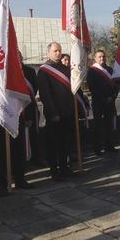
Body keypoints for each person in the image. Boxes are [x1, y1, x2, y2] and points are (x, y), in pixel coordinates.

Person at [38, 42, 76, 180]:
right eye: (55, 51)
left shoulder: (65, 69)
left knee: (66, 142)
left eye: (59, 51)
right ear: (49, 52)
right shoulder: (44, 70)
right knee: (54, 143)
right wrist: (53, 113)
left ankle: (65, 167)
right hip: (55, 114)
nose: (58, 53)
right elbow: (45, 95)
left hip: (68, 112)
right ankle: (54, 171)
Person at [87, 50, 119, 155]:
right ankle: (97, 148)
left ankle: (108, 145)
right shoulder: (92, 71)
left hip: (110, 102)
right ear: (95, 58)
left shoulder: (110, 70)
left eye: (103, 56)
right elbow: (93, 87)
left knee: (109, 125)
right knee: (97, 126)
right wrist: (104, 98)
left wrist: (113, 96)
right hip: (98, 102)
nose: (102, 58)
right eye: (99, 57)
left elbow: (116, 85)